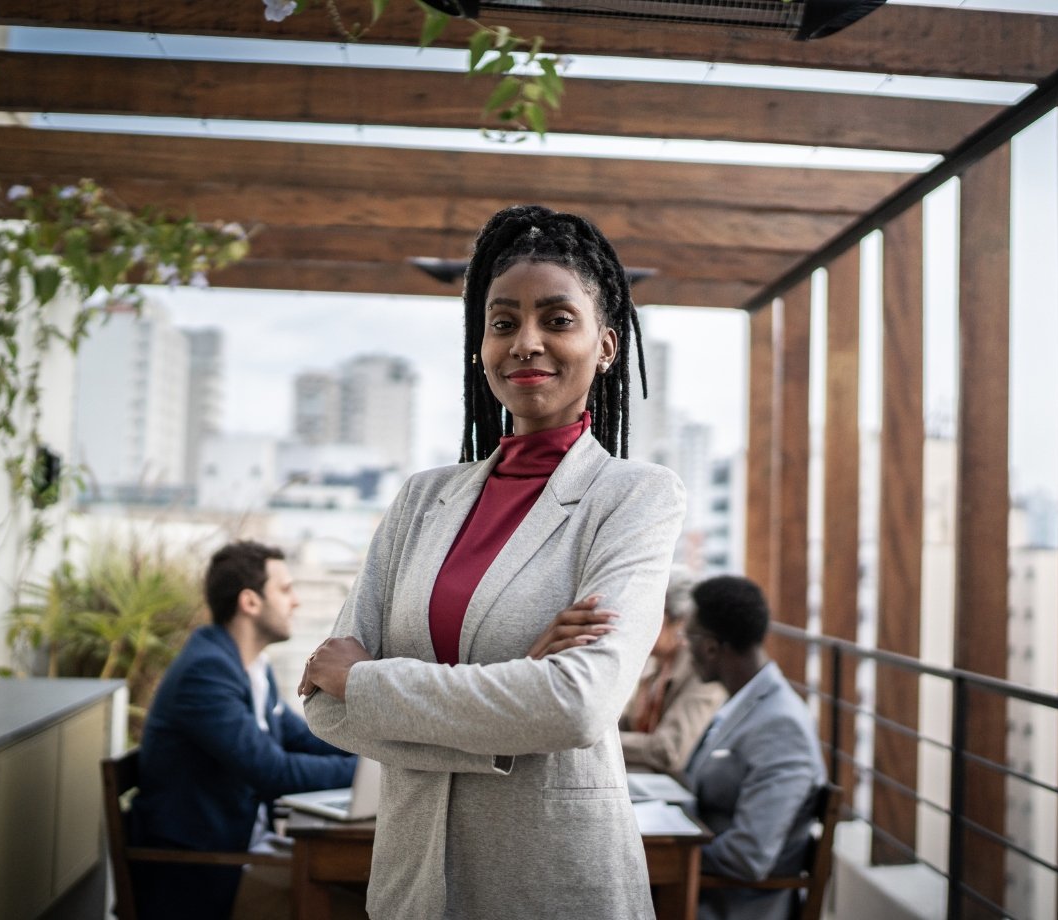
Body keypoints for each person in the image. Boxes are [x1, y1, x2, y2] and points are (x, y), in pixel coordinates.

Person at [297, 204, 687, 920]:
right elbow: (325, 706)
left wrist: (370, 681)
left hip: (553, 882)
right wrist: (513, 696)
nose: (526, 342)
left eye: (557, 320)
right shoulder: (421, 502)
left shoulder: (635, 498)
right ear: (481, 344)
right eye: (503, 322)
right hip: (414, 886)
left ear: (605, 346)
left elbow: (575, 704)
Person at [130, 540, 356, 920]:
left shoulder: (251, 668)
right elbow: (272, 771)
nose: (296, 601)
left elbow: (302, 738)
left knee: (361, 887)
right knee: (355, 905)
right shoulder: (206, 673)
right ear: (250, 602)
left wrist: (366, 753)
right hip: (203, 875)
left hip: (244, 849)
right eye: (285, 590)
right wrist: (367, 775)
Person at [683, 575, 827, 920]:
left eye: (687, 637)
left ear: (711, 647)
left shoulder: (780, 724)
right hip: (705, 890)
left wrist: (658, 856)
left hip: (730, 906)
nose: (684, 649)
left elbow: (749, 856)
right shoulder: (747, 705)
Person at [619, 573, 727, 774]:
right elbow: (626, 723)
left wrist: (606, 742)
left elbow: (669, 750)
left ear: (681, 622)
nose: (636, 624)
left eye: (648, 616)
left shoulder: (701, 670)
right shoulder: (654, 664)